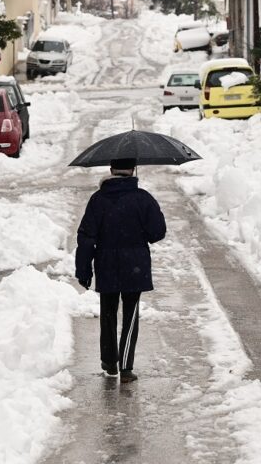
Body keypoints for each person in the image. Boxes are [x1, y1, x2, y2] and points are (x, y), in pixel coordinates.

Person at [75, 158, 166, 384]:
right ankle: (126, 368)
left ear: (111, 170)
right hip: (135, 266)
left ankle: (109, 362)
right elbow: (157, 233)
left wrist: (83, 269)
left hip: (106, 263)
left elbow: (86, 238)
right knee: (130, 316)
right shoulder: (143, 199)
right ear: (133, 170)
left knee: (107, 314)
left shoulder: (98, 200)